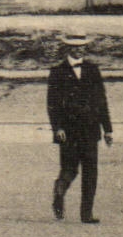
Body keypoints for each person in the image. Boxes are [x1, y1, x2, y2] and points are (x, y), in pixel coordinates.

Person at [46, 33, 113, 224]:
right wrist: (57, 128)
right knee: (70, 169)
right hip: (68, 131)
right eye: (74, 47)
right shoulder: (57, 72)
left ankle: (86, 214)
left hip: (91, 129)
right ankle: (60, 190)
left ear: (85, 48)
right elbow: (52, 104)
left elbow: (101, 101)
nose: (78, 50)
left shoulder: (92, 70)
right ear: (67, 49)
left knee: (91, 171)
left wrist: (108, 129)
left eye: (81, 47)